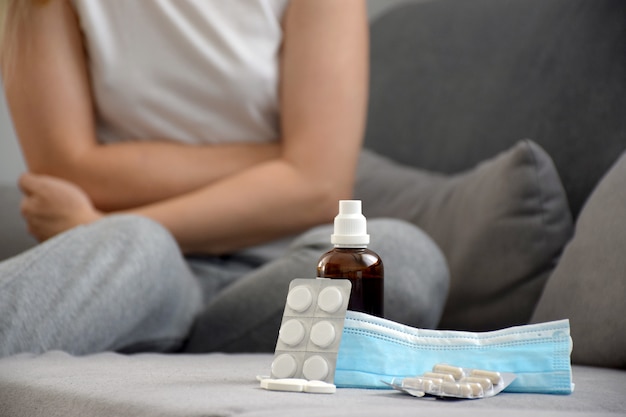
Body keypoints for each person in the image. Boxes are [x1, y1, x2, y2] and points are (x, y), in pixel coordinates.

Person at [0, 0, 449, 357]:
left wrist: (90, 222)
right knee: (140, 244)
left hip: (279, 276)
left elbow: (318, 187)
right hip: (134, 271)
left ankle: (174, 343)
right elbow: (65, 168)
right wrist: (285, 162)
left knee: (401, 256)